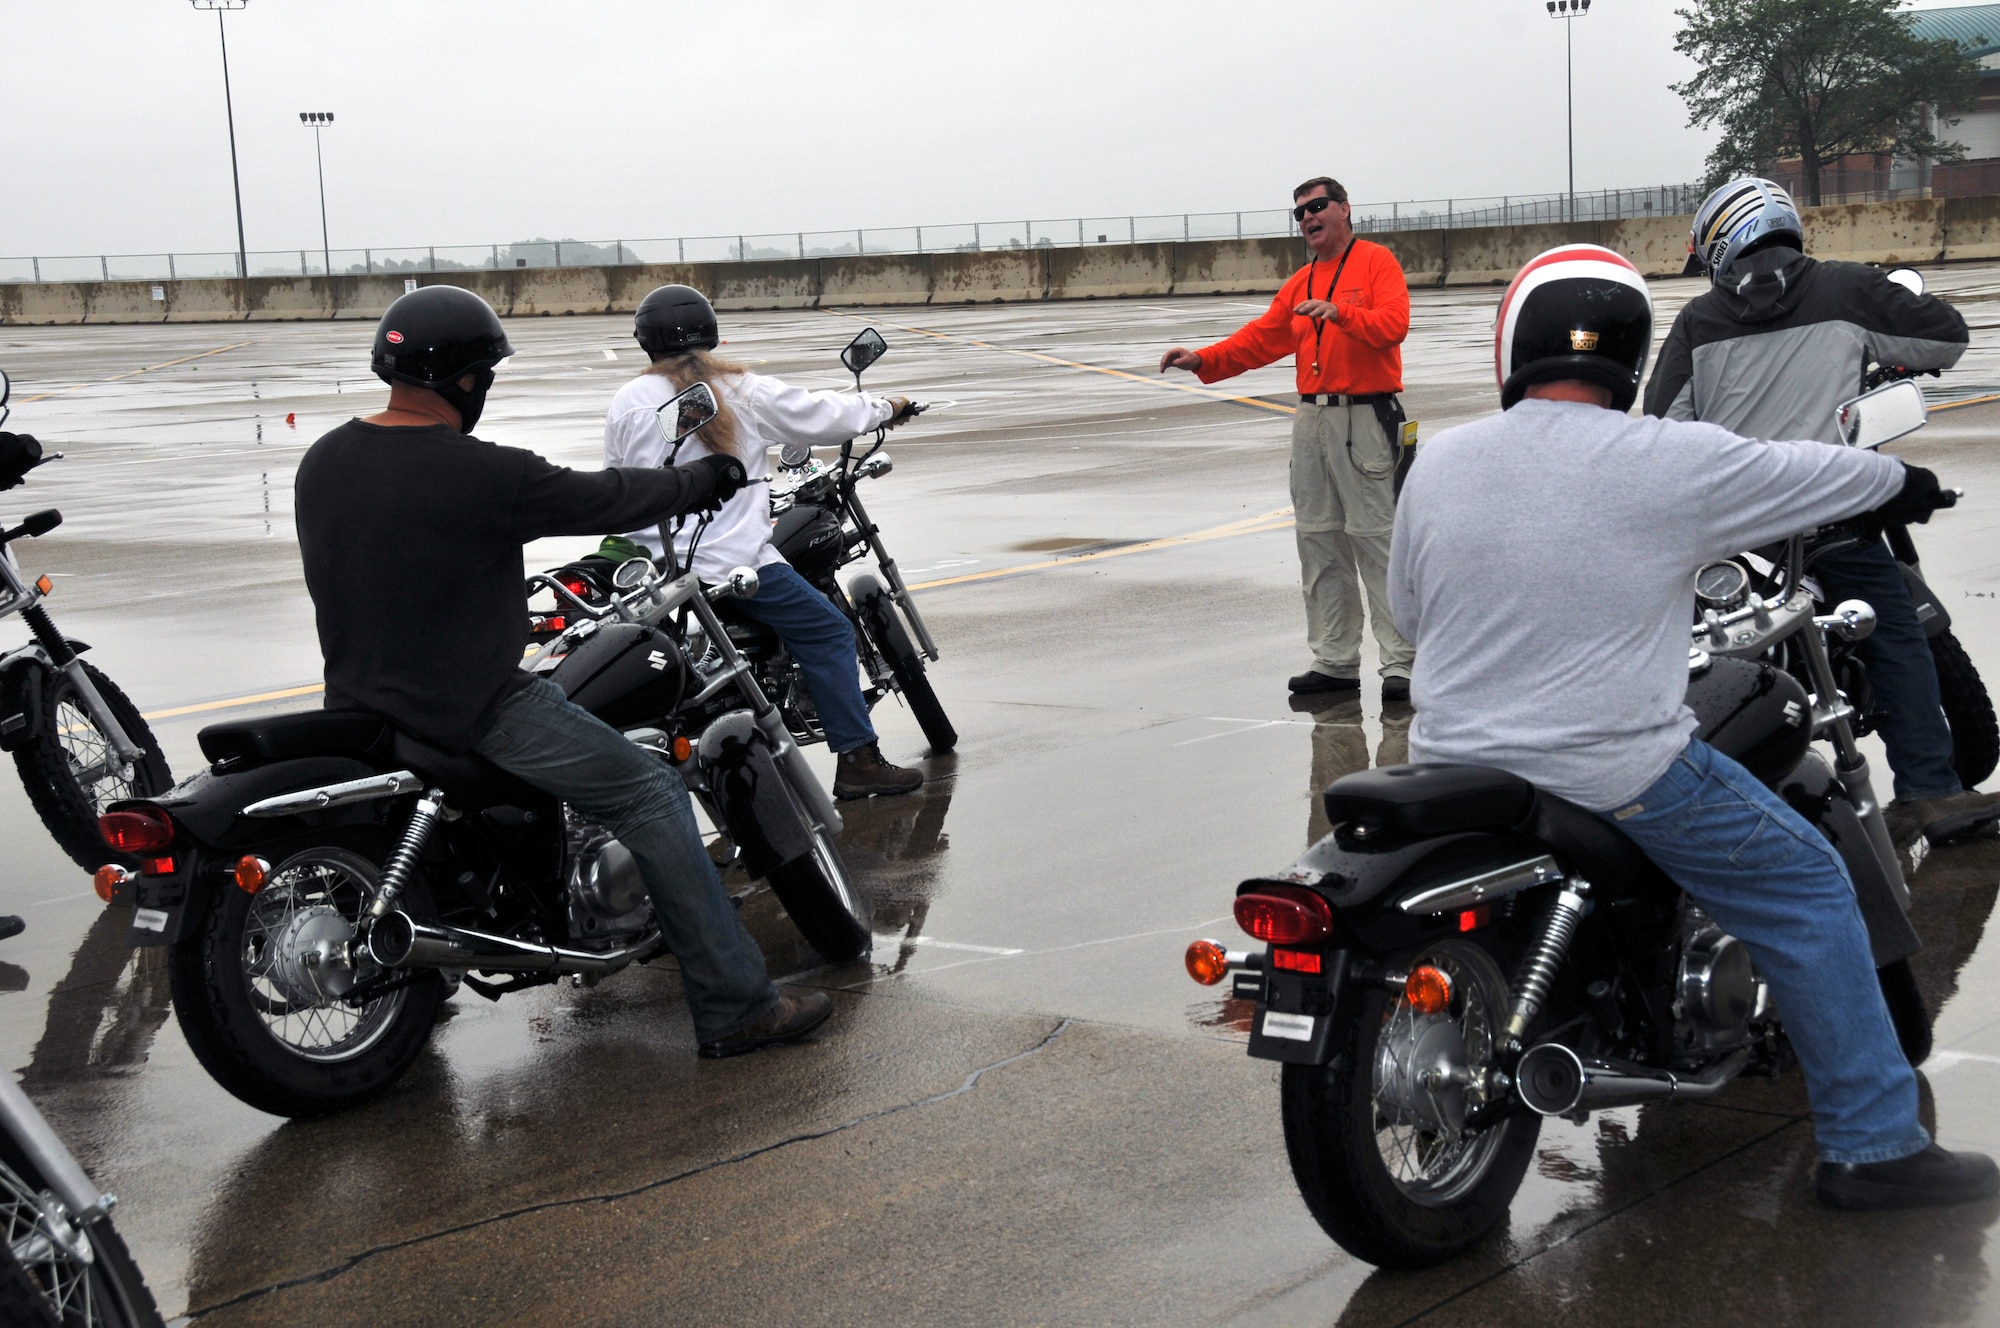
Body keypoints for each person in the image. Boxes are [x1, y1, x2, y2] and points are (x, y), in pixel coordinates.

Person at [1388, 242, 1996, 1210]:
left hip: (1452, 761)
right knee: (1805, 880)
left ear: (1515, 343)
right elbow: (1802, 471)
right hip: (1607, 766)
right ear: (1628, 355)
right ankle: (1874, 1143)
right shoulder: (1666, 459)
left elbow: (1411, 618)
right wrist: (1902, 485)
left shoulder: (1440, 461)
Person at [294, 284, 831, 1060]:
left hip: (357, 704)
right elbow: (606, 498)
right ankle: (736, 1004)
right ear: (468, 381)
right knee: (650, 794)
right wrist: (704, 481)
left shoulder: (325, 459)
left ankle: (425, 983)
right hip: (472, 703)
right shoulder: (479, 471)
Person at [1646, 176, 1998, 846]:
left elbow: (1661, 428)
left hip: (1730, 534)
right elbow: (1947, 339)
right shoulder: (1848, 289)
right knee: (1891, 630)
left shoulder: (1698, 322)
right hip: (1826, 510)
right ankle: (1928, 789)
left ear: (1719, 244)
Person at [604, 284, 924, 800]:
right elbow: (823, 414)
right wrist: (888, 406)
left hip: (654, 567)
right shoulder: (738, 390)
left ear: (646, 343)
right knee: (829, 633)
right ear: (711, 335)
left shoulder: (627, 400)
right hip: (727, 562)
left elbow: (617, 478)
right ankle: (859, 760)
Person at [1160, 175, 1415, 701]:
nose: (1307, 219)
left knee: (1376, 540)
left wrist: (1343, 313)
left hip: (1365, 418)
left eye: (1317, 207)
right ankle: (1335, 661)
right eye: (1299, 213)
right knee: (1319, 540)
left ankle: (1402, 665)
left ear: (1345, 209)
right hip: (1312, 421)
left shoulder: (1376, 263)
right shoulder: (1300, 281)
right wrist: (1203, 359)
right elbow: (1264, 337)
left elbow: (1394, 325)